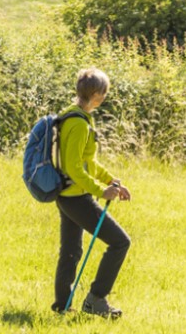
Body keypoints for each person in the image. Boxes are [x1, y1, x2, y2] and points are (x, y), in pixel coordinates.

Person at [52, 68, 132, 318]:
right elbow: (74, 167)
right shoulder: (77, 123)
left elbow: (87, 162)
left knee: (71, 251)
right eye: (104, 93)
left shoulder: (74, 116)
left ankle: (62, 305)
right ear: (96, 94)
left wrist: (110, 180)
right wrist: (101, 190)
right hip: (76, 197)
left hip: (67, 194)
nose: (105, 97)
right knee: (120, 242)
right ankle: (96, 299)